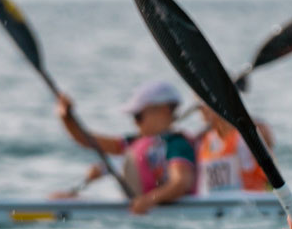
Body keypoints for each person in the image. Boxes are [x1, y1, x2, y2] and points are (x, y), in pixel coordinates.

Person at [55, 81, 196, 214]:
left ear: (163, 110)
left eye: (138, 116)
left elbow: (181, 183)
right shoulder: (136, 141)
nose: (135, 123)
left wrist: (149, 201)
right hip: (141, 208)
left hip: (163, 213)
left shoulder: (176, 144)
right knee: (57, 199)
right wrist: (67, 119)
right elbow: (89, 140)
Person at [193, 103, 273, 196]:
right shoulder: (203, 140)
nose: (200, 108)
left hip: (251, 205)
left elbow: (266, 139)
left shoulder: (244, 137)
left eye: (204, 103)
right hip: (217, 206)